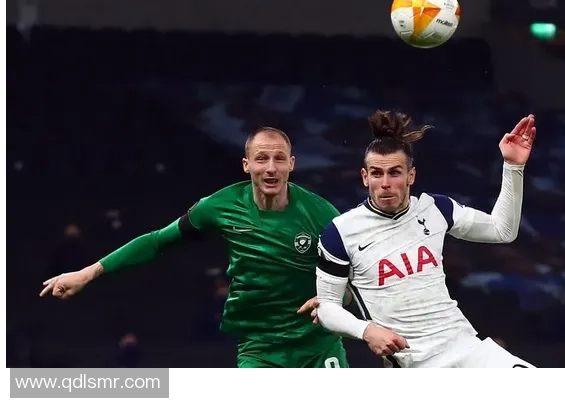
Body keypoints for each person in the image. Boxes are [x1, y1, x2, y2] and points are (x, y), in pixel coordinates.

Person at [40, 127, 350, 368]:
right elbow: (157, 241)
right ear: (246, 165)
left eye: (279, 159)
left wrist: (335, 299)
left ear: (291, 164)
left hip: (318, 345)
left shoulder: (322, 214)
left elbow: (358, 271)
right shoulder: (220, 206)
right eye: (261, 159)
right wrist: (87, 273)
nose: (271, 168)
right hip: (260, 348)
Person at [313, 110, 537, 368]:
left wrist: (513, 167)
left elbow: (502, 230)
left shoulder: (436, 208)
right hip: (415, 363)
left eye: (395, 173)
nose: (385, 183)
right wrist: (367, 331)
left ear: (411, 176)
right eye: (376, 173)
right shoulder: (340, 233)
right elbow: (326, 308)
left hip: (467, 347)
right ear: (365, 177)